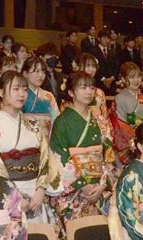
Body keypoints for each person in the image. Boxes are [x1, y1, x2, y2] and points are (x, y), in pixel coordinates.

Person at [0, 70, 61, 224]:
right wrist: (13, 196)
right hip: (7, 194)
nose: (21, 94)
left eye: (24, 89)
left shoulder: (34, 126)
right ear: (1, 92)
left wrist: (41, 190)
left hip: (35, 193)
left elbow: (45, 158)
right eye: (15, 89)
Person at [50, 71, 115, 226]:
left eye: (92, 88)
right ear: (71, 92)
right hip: (74, 190)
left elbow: (108, 154)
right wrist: (82, 184)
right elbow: (58, 157)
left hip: (98, 186)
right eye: (83, 87)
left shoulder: (99, 120)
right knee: (75, 238)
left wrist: (103, 183)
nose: (89, 92)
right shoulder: (62, 121)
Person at [110, 62, 143, 165]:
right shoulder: (119, 99)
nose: (136, 80)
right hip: (128, 146)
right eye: (131, 77)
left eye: (138, 76)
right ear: (123, 79)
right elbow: (118, 126)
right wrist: (136, 140)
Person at [21, 57, 59, 135]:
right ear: (25, 74)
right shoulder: (20, 95)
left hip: (46, 137)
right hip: (25, 136)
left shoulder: (48, 95)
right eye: (36, 71)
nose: (41, 75)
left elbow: (56, 120)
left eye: (43, 71)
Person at [92, 30, 118, 95]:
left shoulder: (112, 52)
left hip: (111, 83)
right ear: (99, 38)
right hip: (98, 83)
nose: (106, 40)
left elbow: (116, 66)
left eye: (108, 38)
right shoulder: (93, 51)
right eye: (104, 38)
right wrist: (103, 79)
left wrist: (112, 78)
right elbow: (93, 67)